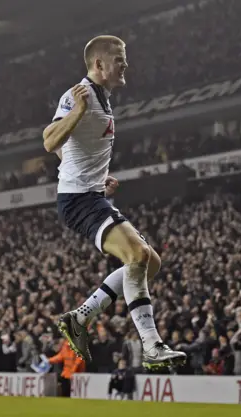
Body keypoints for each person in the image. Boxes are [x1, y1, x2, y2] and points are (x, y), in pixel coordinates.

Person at [42, 34, 185, 369]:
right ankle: (151, 345)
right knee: (136, 255)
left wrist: (94, 179)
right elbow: (49, 141)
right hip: (78, 201)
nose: (125, 64)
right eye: (119, 58)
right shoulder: (79, 95)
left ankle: (80, 317)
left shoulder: (102, 97)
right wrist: (76, 112)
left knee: (150, 262)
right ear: (99, 64)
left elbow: (70, 151)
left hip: (89, 193)